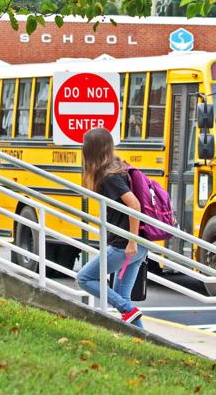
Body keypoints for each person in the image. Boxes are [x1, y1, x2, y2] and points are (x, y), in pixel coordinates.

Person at [76, 127, 147, 327]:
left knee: (84, 278)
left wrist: (132, 241)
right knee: (123, 295)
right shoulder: (119, 168)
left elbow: (135, 205)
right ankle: (142, 339)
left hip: (125, 246)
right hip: (139, 245)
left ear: (91, 150)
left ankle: (127, 308)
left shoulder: (110, 177)